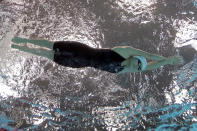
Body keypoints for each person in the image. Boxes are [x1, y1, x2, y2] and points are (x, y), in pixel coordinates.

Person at [11, 37, 183, 74]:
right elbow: (149, 56)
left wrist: (166, 63)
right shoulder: (123, 51)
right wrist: (167, 59)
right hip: (81, 49)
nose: (137, 68)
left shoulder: (123, 70)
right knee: (50, 45)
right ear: (134, 59)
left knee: (47, 54)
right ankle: (20, 39)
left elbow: (149, 65)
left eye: (139, 68)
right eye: (138, 64)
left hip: (78, 63)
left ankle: (17, 46)